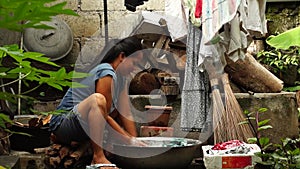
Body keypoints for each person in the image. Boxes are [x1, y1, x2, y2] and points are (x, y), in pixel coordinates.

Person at [49, 36, 145, 168]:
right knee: (98, 100)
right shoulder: (106, 72)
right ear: (122, 56)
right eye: (134, 63)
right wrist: (128, 140)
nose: (135, 68)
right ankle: (98, 156)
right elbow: (104, 116)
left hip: (82, 126)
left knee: (115, 109)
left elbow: (125, 113)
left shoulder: (122, 79)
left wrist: (136, 142)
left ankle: (104, 148)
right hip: (63, 123)